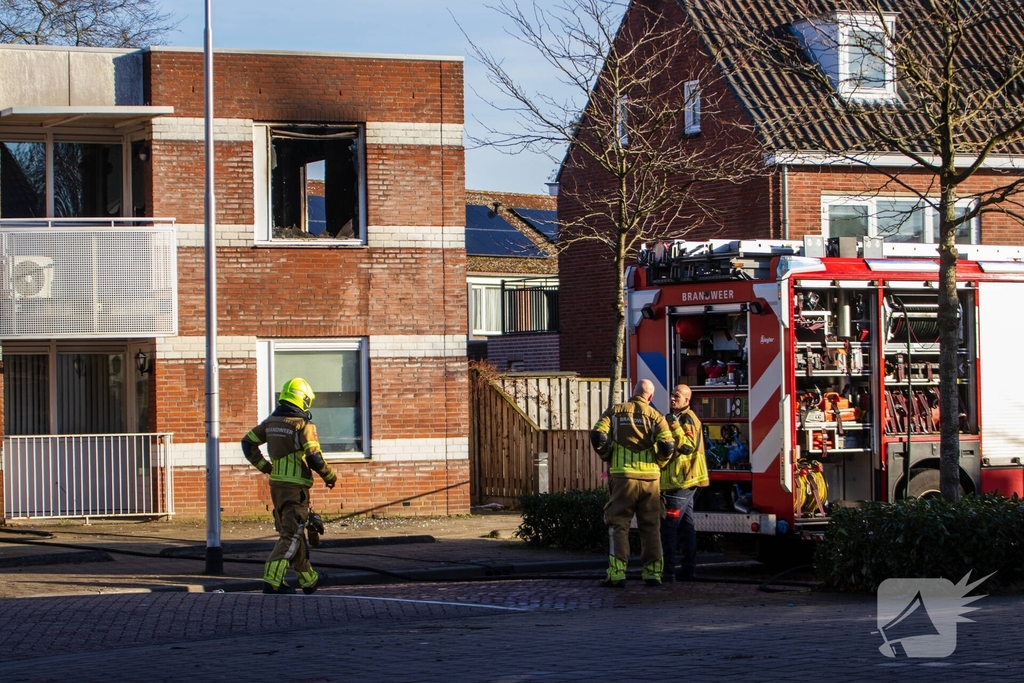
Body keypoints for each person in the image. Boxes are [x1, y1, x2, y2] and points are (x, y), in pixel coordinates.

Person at [241, 377, 338, 595]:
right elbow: (314, 458)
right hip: (296, 489)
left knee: (294, 532)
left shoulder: (271, 423)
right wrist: (330, 476)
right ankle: (272, 579)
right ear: (303, 399)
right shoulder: (303, 425)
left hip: (277, 487)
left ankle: (308, 579)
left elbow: (247, 443)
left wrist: (265, 467)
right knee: (292, 535)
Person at [591, 378, 675, 587]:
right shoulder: (657, 416)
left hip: (623, 478)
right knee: (651, 527)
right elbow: (668, 446)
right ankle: (653, 574)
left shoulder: (615, 411)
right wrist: (659, 463)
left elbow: (597, 435)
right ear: (651, 396)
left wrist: (607, 455)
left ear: (633, 391)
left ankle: (617, 574)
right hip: (650, 481)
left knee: (619, 524)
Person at [660, 384, 709, 581]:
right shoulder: (679, 417)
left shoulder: (686, 419)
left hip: (681, 481)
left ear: (687, 400)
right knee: (687, 526)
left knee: (669, 525)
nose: (673, 398)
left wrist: (673, 425)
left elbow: (687, 447)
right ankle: (688, 569)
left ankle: (667, 571)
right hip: (686, 480)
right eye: (672, 395)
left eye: (677, 396)